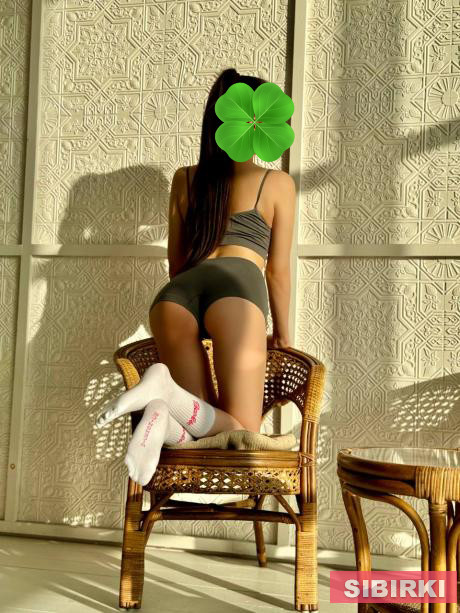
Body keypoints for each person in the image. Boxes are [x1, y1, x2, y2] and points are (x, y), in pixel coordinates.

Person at [96, 68, 296, 486]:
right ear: (261, 125)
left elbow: (177, 265)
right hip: (238, 289)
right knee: (242, 430)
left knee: (197, 424)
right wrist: (283, 336)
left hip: (175, 298)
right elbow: (277, 272)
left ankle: (160, 409)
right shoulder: (276, 183)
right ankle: (164, 393)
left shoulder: (185, 178)